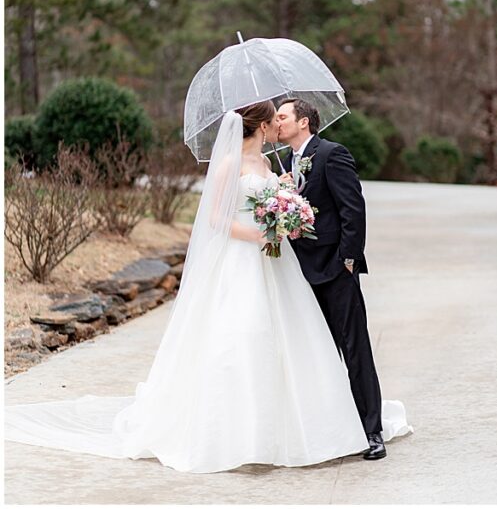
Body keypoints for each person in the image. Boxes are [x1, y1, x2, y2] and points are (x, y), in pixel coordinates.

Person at [5, 101, 410, 473]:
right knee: (247, 339)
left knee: (313, 344)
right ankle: (246, 431)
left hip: (294, 266)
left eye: (283, 118)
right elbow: (216, 218)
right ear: (261, 125)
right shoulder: (234, 163)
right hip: (250, 258)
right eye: (274, 119)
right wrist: (259, 234)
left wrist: (320, 237)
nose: (277, 125)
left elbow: (341, 208)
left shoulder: (282, 162)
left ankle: (355, 426)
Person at [275, 98, 389, 460]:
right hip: (300, 273)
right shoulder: (288, 163)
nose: (276, 123)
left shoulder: (331, 153)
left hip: (336, 270)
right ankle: (334, 428)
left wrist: (349, 260)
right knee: (318, 353)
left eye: (282, 117)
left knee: (354, 349)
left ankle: (372, 431)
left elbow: (353, 208)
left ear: (304, 122)